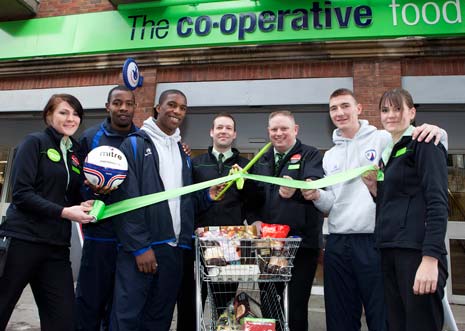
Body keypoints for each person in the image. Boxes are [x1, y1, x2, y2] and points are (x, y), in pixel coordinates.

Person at [301, 88, 447, 331]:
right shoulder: (330, 156)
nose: (340, 112)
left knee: (384, 318)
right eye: (334, 108)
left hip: (376, 242)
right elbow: (333, 203)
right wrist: (316, 195)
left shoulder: (382, 138)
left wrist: (438, 132)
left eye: (345, 106)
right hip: (340, 242)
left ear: (359, 108)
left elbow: (426, 152)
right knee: (343, 318)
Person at [110, 89, 221, 331]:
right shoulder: (134, 145)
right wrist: (140, 246)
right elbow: (126, 199)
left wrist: (207, 196)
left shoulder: (182, 152)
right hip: (143, 249)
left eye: (182, 108)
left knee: (159, 319)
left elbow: (183, 198)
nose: (177, 111)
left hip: (175, 250)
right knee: (127, 317)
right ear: (158, 108)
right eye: (172, 105)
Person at [0, 94, 94, 330]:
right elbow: (21, 194)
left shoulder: (75, 153)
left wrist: (85, 202)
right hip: (22, 241)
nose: (70, 118)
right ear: (48, 115)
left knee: (63, 320)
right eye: (63, 112)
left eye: (75, 114)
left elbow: (69, 194)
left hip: (56, 247)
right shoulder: (35, 143)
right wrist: (64, 212)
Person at [362, 88, 448, 331]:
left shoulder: (426, 143)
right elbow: (398, 203)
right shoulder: (389, 152)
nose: (391, 115)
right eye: (385, 110)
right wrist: (374, 189)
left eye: (398, 108)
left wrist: (430, 259)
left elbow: (437, 202)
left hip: (416, 254)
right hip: (389, 252)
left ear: (412, 112)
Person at [177, 112, 260, 331]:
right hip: (198, 243)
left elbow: (253, 202)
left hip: (230, 247)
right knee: (191, 301)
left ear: (234, 135)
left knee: (224, 304)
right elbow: (187, 200)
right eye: (219, 127)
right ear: (211, 132)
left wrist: (245, 181)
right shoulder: (196, 164)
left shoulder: (245, 165)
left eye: (228, 128)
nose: (223, 131)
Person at [253, 110, 324, 331]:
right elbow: (252, 197)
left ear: (295, 130)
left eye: (284, 128)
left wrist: (297, 190)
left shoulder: (311, 155)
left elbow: (314, 184)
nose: (279, 133)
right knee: (269, 305)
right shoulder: (261, 159)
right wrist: (254, 219)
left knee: (295, 307)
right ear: (268, 132)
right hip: (268, 247)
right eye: (274, 129)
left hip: (301, 246)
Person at [75, 85, 139, 331]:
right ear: (107, 106)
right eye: (117, 102)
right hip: (99, 234)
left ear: (134, 106)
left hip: (132, 238)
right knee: (90, 300)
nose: (123, 107)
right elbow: (75, 182)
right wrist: (90, 192)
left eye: (128, 103)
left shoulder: (142, 138)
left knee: (121, 304)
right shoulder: (90, 137)